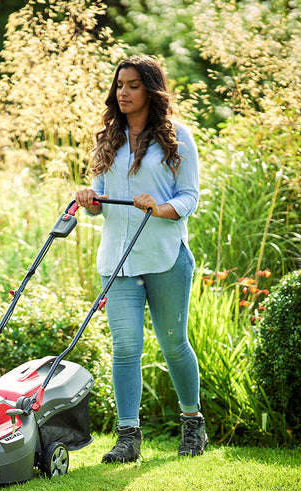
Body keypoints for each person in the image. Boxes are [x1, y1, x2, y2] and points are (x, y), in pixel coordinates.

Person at [73, 55, 206, 462]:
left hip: (165, 257)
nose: (123, 92)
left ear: (150, 89)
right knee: (125, 346)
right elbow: (100, 202)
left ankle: (192, 424)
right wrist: (88, 199)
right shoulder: (107, 138)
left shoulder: (177, 136)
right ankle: (128, 437)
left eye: (132, 85)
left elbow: (190, 197)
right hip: (117, 261)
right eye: (119, 85)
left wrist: (158, 206)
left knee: (173, 344)